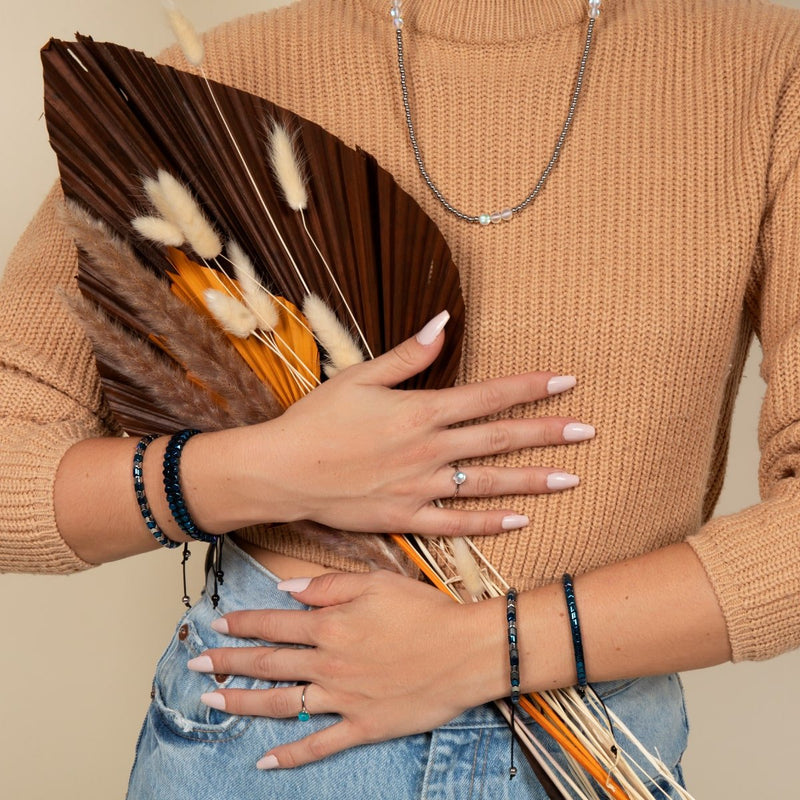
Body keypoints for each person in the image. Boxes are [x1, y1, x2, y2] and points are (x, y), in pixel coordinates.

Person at [2, 0, 799, 797]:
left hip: (597, 749)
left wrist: (499, 644)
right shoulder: (211, 71)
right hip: (275, 739)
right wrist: (267, 469)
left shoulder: (766, 70)